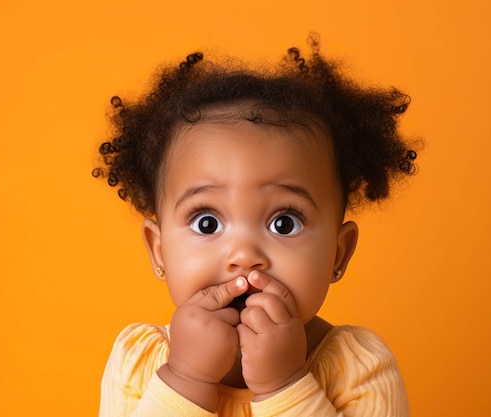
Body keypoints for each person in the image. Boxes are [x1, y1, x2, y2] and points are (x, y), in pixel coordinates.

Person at [93, 33, 418, 417]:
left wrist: (286, 386)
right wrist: (186, 379)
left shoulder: (358, 368)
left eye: (284, 223)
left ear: (338, 253)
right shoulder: (139, 363)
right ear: (159, 250)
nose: (245, 256)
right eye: (207, 222)